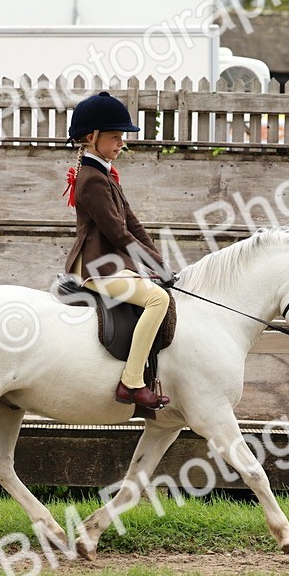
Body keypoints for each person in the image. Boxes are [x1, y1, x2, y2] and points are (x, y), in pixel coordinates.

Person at [63, 92, 173, 410]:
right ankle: (131, 382)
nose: (121, 143)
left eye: (121, 137)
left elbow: (133, 224)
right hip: (97, 267)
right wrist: (155, 266)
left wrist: (160, 262)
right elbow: (118, 234)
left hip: (113, 263)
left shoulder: (105, 175)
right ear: (91, 137)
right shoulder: (92, 180)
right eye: (115, 137)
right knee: (158, 299)